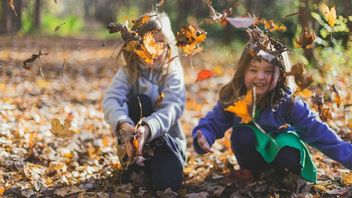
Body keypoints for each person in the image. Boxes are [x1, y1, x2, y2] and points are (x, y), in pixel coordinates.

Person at [192, 27, 352, 183]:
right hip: (252, 158)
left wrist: (349, 157)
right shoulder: (235, 97)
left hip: (282, 156)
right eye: (253, 70)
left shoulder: (288, 102)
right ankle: (254, 173)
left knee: (289, 149)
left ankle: (282, 176)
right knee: (243, 134)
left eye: (268, 71)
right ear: (243, 71)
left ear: (281, 75)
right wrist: (205, 135)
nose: (260, 76)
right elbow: (214, 121)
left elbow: (318, 132)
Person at [103, 12, 186, 191]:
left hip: (167, 144)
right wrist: (123, 124)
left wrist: (147, 129)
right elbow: (111, 100)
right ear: (135, 45)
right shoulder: (128, 72)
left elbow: (173, 107)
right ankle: (135, 167)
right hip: (132, 145)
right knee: (139, 101)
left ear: (169, 44)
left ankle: (159, 170)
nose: (154, 49)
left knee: (167, 184)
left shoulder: (172, 73)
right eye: (147, 42)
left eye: (160, 42)